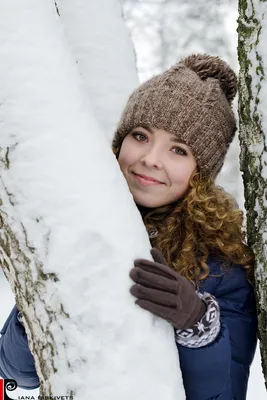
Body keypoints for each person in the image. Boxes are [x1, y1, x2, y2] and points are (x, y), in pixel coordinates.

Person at [0, 54, 257, 399]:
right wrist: (46, 296)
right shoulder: (75, 220)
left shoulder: (222, 267)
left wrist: (198, 324)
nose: (151, 158)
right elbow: (16, 372)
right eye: (140, 135)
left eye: (178, 150)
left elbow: (223, 394)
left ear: (201, 172)